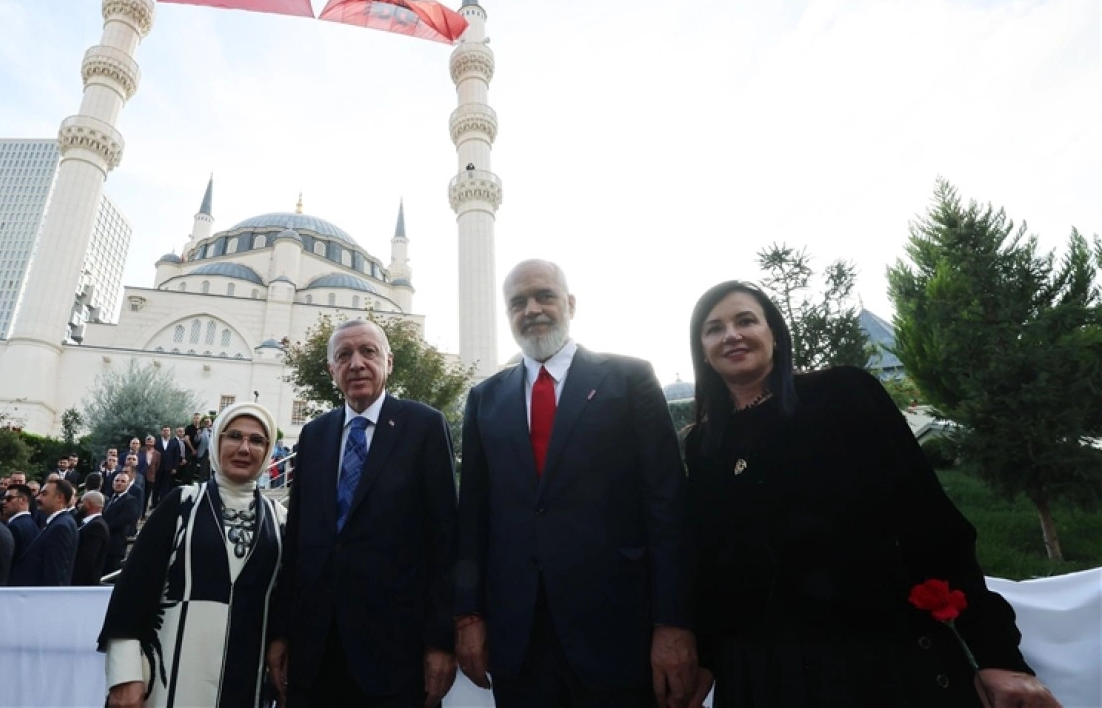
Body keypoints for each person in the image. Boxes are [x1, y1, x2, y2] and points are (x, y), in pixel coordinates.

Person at [683, 280, 1061, 708]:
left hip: (878, 655)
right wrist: (707, 658)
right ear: (702, 349)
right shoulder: (703, 445)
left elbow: (930, 522)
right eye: (714, 328)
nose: (731, 334)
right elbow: (716, 564)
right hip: (765, 671)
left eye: (745, 320)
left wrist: (997, 655)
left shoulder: (842, 395)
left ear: (773, 332)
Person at [455, 259, 697, 707]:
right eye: (517, 302)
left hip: (617, 632)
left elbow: (665, 505)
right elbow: (474, 513)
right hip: (520, 641)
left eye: (544, 296)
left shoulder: (630, 379)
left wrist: (674, 622)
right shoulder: (485, 399)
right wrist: (469, 615)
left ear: (570, 303)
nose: (532, 309)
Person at [267, 318, 459, 708]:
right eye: (344, 355)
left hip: (394, 653)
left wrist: (441, 641)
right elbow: (298, 541)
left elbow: (445, 540)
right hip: (315, 652)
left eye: (368, 352)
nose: (356, 363)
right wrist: (281, 633)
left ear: (388, 362)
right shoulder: (315, 434)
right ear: (331, 370)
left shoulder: (423, 427)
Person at [98, 402, 286, 708]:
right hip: (168, 680)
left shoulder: (280, 521)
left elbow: (285, 604)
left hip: (246, 684)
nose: (244, 448)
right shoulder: (181, 503)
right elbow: (132, 592)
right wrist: (124, 675)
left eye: (257, 440)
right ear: (216, 441)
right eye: (234, 436)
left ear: (268, 451)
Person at [9, 479, 78, 587]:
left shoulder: (60, 527)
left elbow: (55, 573)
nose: (38, 498)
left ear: (60, 497)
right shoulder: (58, 523)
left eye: (44, 494)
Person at [101, 473, 142, 575]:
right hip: (103, 546)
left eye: (123, 481)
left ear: (128, 484)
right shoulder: (108, 500)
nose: (119, 483)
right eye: (117, 480)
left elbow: (122, 521)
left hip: (115, 548)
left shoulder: (131, 501)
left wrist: (102, 528)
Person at [72, 491, 110, 586]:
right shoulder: (90, 524)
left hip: (83, 583)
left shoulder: (97, 526)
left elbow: (87, 559)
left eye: (82, 502)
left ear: (88, 504)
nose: (79, 505)